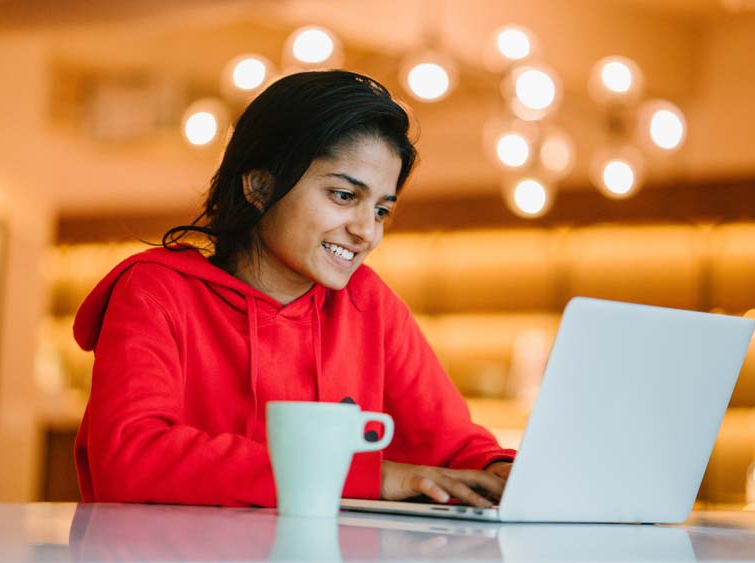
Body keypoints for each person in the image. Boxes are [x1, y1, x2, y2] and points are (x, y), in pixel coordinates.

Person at [73, 70, 517, 508]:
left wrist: (500, 470)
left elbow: (453, 445)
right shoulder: (156, 291)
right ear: (259, 187)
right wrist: (364, 476)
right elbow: (130, 458)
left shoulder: (367, 302)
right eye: (344, 195)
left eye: (381, 210)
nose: (367, 231)